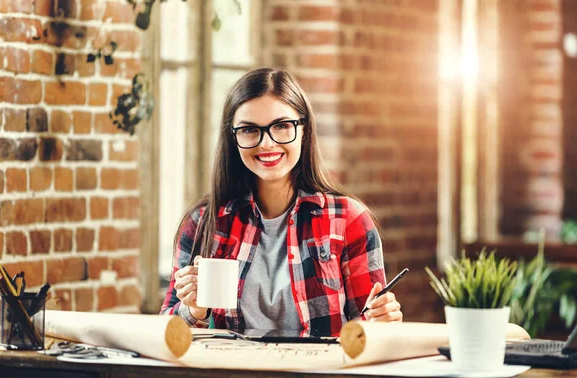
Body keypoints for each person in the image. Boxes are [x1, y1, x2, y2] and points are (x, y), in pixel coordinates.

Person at [160, 67, 402, 336]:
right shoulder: (202, 223)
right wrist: (193, 310)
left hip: (320, 375)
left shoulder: (348, 220)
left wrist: (382, 322)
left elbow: (369, 332)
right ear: (233, 138)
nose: (266, 144)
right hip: (230, 374)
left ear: (304, 129)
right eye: (250, 130)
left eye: (282, 126)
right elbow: (167, 332)